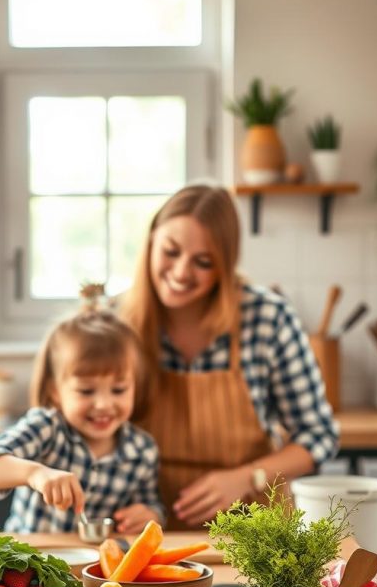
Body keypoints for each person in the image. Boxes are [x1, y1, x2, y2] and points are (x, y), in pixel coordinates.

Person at [120, 183, 339, 529]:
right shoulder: (118, 323)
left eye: (203, 262)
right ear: (150, 243)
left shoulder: (267, 318)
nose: (180, 272)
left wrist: (246, 478)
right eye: (170, 251)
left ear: (225, 265)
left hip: (254, 533)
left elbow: (319, 435)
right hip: (147, 534)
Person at [0, 306, 164, 534]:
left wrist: (149, 516)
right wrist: (34, 474)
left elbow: (151, 506)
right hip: (29, 561)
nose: (104, 404)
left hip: (94, 566)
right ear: (55, 391)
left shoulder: (143, 450)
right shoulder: (46, 428)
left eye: (118, 389)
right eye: (86, 391)